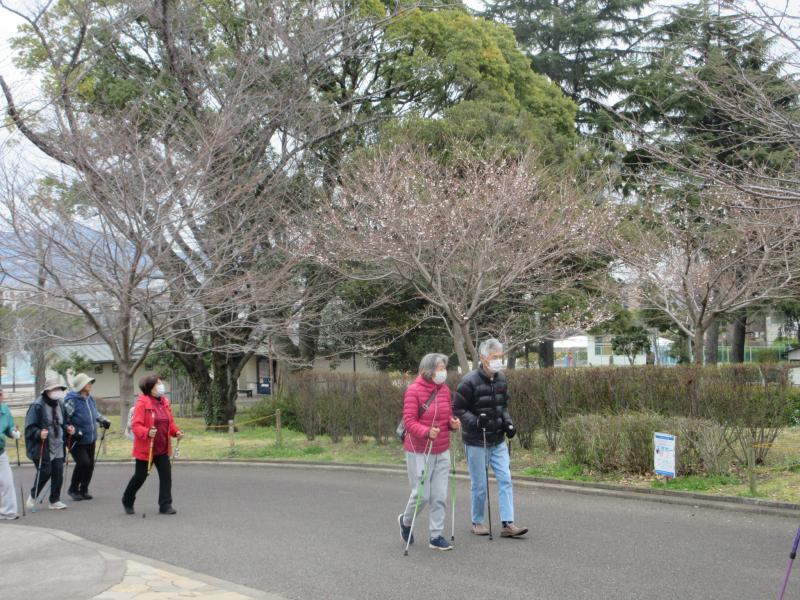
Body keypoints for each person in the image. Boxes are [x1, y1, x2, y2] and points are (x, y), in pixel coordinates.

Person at [453, 338, 528, 538]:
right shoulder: (469, 381)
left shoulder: (501, 379)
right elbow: (458, 408)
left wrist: (508, 423)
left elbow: (502, 407)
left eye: (500, 357)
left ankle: (507, 523)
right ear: (483, 357)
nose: (498, 361)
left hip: (498, 440)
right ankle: (477, 522)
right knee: (479, 485)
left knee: (506, 479)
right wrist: (476, 421)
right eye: (494, 357)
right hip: (477, 441)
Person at [398, 353, 461, 551]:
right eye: (440, 368)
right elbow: (409, 421)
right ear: (429, 370)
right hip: (419, 449)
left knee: (439, 495)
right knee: (422, 495)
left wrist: (452, 424)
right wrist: (426, 432)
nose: (444, 372)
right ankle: (406, 521)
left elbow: (447, 416)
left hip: (442, 448)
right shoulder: (413, 390)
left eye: (444, 368)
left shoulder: (444, 390)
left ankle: (436, 536)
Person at [122, 375, 183, 515]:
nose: (161, 386)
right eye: (158, 384)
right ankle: (127, 499)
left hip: (162, 448)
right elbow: (136, 425)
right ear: (150, 388)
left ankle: (165, 505)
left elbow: (170, 423)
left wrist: (176, 432)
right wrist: (147, 432)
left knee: (166, 476)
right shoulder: (142, 403)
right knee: (140, 477)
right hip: (146, 449)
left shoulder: (165, 402)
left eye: (161, 383)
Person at [24, 378, 75, 510]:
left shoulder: (61, 404)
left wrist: (68, 428)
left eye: (59, 389)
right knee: (45, 472)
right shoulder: (37, 406)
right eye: (54, 389)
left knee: (58, 472)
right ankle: (33, 495)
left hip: (58, 444)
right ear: (47, 391)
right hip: (42, 446)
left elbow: (64, 423)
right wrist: (39, 433)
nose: (57, 391)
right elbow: (29, 428)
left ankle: (54, 500)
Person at [64, 373, 111, 501]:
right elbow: (64, 420)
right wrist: (72, 430)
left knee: (90, 465)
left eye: (90, 382)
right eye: (87, 382)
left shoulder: (89, 399)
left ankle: (83, 490)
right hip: (76, 439)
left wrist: (103, 420)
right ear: (81, 385)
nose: (90, 384)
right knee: (83, 462)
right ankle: (73, 489)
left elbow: (95, 413)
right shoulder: (71, 400)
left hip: (90, 438)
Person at [0, 388, 21, 519]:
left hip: (0, 452)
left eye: (1, 394)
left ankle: (8, 512)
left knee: (7, 482)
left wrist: (14, 432)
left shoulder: (5, 410)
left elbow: (9, 427)